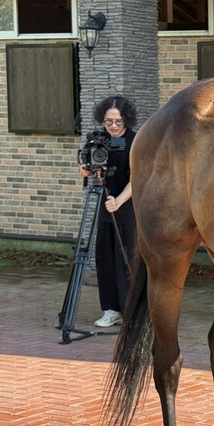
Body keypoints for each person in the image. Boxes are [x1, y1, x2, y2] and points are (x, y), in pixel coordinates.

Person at [79, 96, 138, 328]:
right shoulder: (97, 139)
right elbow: (86, 163)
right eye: (108, 121)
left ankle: (131, 310)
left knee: (127, 258)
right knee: (105, 257)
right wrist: (83, 170)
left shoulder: (135, 140)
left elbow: (137, 178)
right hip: (105, 204)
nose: (113, 126)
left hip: (128, 207)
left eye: (118, 122)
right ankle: (111, 309)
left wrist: (120, 201)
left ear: (126, 120)